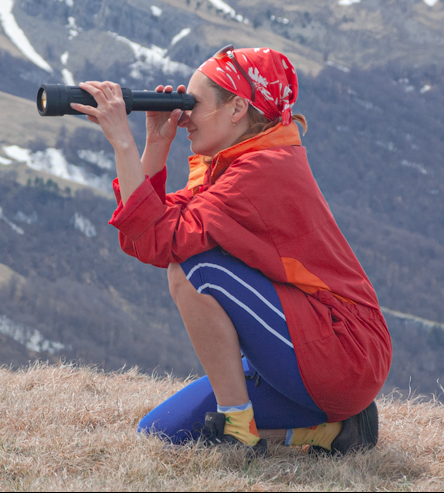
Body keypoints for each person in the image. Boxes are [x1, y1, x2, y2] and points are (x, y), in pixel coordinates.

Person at [72, 45, 392, 456]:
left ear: (238, 108)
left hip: (343, 351)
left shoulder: (263, 170)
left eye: (194, 103)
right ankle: (334, 431)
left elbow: (165, 242)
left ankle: (236, 428)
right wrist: (154, 143)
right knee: (160, 433)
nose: (184, 117)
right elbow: (143, 237)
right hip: (307, 347)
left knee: (193, 268)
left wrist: (122, 142)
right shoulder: (232, 164)